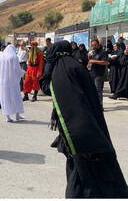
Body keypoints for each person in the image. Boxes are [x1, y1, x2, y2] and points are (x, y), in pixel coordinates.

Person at [39, 40, 128, 198]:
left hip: (74, 128)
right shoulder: (75, 64)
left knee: (81, 172)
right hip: (89, 122)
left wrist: (48, 68)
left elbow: (47, 87)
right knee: (85, 166)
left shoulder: (60, 69)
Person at [0, 44, 26, 122]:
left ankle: (8, 116)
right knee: (16, 97)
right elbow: (17, 69)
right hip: (12, 81)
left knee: (6, 97)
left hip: (4, 81)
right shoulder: (14, 57)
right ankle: (17, 114)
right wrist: (22, 72)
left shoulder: (2, 57)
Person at [88, 39, 108, 108]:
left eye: (95, 45)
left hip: (99, 74)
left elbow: (105, 62)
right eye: (92, 45)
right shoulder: (93, 53)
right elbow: (90, 61)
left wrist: (95, 61)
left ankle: (100, 105)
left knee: (98, 90)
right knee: (92, 90)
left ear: (98, 44)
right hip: (92, 73)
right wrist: (89, 61)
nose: (94, 46)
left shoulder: (103, 52)